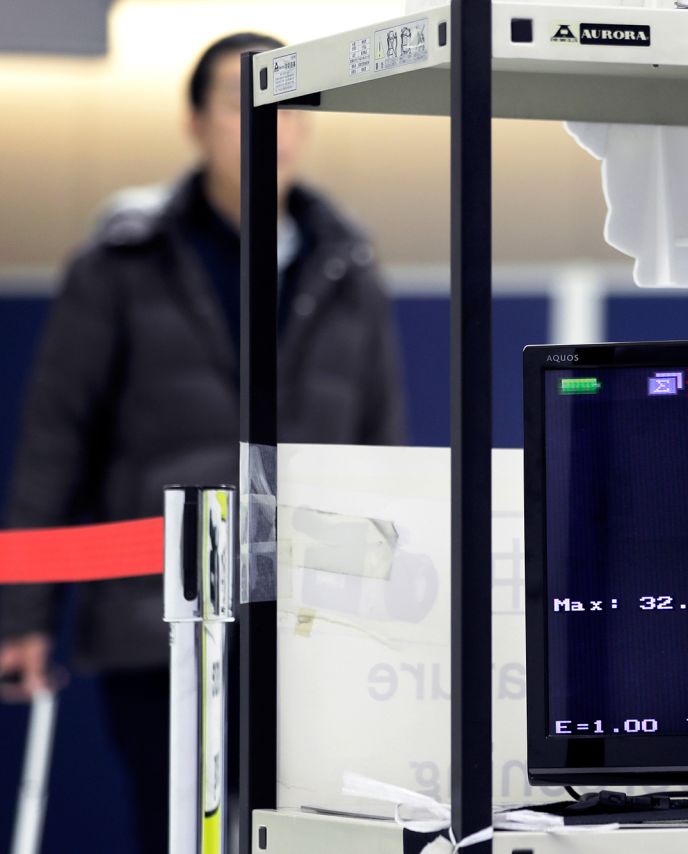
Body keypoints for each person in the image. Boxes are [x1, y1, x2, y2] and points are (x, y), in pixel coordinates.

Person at [0, 32, 406, 853]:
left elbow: (381, 447)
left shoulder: (347, 264)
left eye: (290, 101)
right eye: (242, 100)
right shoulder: (124, 259)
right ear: (194, 123)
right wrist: (23, 614)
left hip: (311, 621)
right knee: (181, 827)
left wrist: (397, 614)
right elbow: (57, 438)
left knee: (309, 833)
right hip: (161, 617)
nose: (269, 122)